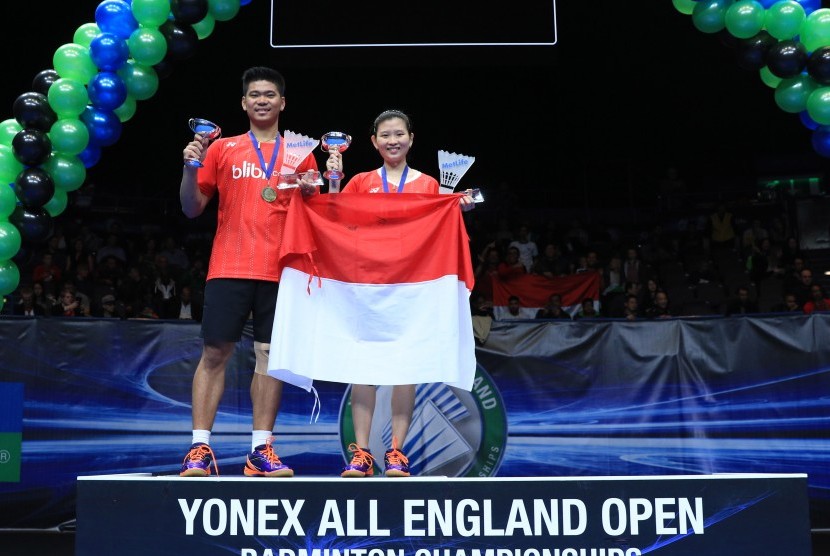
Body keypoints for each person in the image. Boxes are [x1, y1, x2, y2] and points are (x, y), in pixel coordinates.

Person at [177, 66, 320, 478]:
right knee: (214, 354)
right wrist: (190, 167)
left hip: (282, 270)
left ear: (282, 103)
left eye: (270, 94)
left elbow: (313, 214)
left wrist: (314, 192)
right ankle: (199, 448)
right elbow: (191, 208)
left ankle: (261, 451)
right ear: (244, 103)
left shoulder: (301, 152)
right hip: (230, 264)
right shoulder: (222, 150)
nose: (262, 100)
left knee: (270, 358)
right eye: (254, 94)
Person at [334, 109, 473, 479]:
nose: (392, 140)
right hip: (366, 286)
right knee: (361, 371)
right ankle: (362, 454)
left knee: (404, 371)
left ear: (411, 138)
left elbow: (442, 234)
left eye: (399, 134)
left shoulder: (429, 185)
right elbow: (336, 219)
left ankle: (396, 452)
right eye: (385, 135)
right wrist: (332, 180)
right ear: (374, 141)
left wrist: (457, 208)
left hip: (411, 288)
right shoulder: (361, 182)